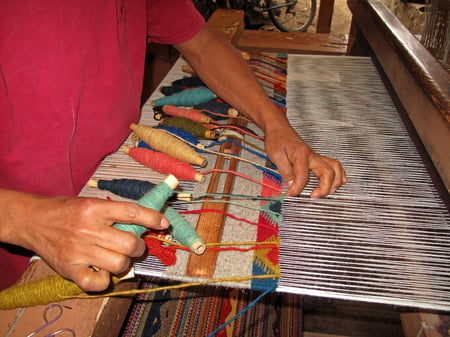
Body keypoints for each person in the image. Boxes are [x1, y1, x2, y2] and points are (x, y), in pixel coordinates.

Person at [0, 0, 347, 291]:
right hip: (16, 253)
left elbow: (202, 44)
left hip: (112, 178)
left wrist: (275, 123)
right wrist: (27, 219)